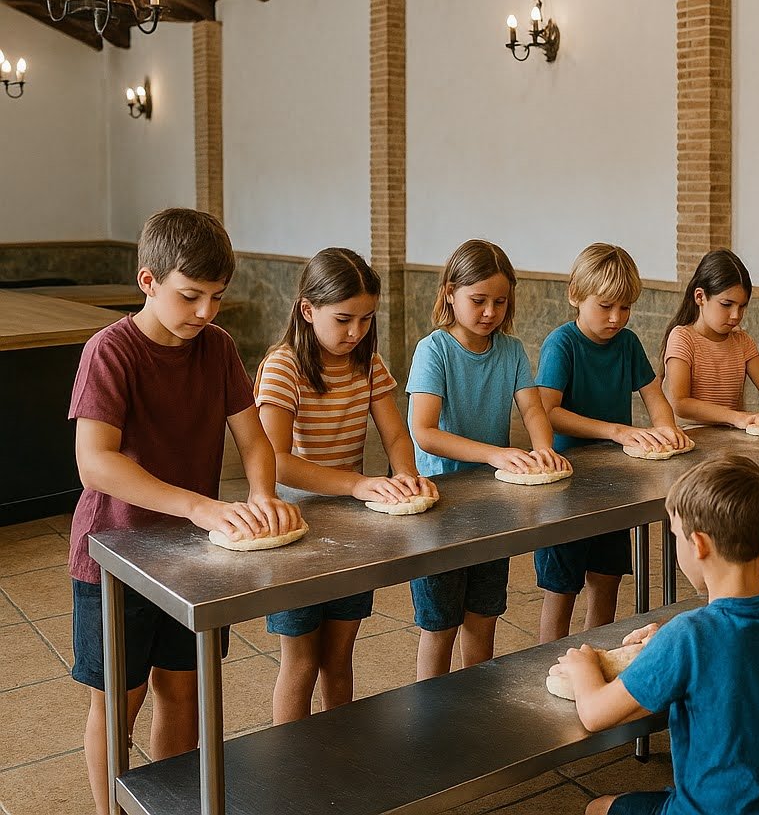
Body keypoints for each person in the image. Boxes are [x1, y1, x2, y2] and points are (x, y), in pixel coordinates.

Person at [68, 208, 304, 815]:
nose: (205, 312)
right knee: (117, 702)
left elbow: (255, 441)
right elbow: (96, 464)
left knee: (183, 690)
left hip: (192, 559)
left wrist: (263, 494)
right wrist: (199, 506)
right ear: (148, 281)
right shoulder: (109, 351)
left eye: (216, 297)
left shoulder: (217, 348)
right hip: (114, 559)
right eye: (191, 295)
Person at [553, 456, 759, 815]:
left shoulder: (687, 637)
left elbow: (596, 715)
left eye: (675, 536)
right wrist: (665, 640)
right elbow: (736, 646)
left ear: (699, 544)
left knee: (598, 807)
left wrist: (583, 666)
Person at [256, 247, 436, 722]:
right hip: (293, 531)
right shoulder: (283, 366)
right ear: (307, 310)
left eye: (366, 319)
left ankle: (337, 752)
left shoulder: (366, 363)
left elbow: (396, 434)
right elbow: (275, 461)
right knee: (300, 662)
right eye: (343, 319)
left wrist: (406, 473)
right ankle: (292, 759)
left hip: (351, 532)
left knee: (338, 657)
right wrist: (357, 484)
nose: (355, 332)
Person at [407, 240, 568, 678]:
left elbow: (532, 409)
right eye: (478, 300)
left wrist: (544, 448)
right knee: (440, 625)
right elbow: (425, 432)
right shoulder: (434, 350)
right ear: (449, 293)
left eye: (500, 302)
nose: (490, 312)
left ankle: (475, 706)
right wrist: (496, 454)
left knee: (483, 616)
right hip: (440, 508)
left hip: (493, 507)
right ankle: (431, 711)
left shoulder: (510, 350)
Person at [536, 243, 688, 642]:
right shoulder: (561, 344)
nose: (616, 318)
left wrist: (667, 430)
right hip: (565, 487)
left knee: (606, 580)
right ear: (575, 294)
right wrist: (616, 431)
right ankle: (549, 664)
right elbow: (548, 411)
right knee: (562, 588)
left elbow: (655, 397)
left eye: (625, 308)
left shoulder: (628, 343)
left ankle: (594, 658)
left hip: (614, 485)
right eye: (605, 306)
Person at [662, 248, 759, 574]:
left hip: (732, 453)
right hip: (692, 456)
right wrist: (739, 417)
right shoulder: (683, 338)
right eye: (727, 304)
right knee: (717, 538)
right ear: (700, 297)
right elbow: (680, 402)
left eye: (742, 306)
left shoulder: (741, 341)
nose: (735, 315)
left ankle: (755, 593)